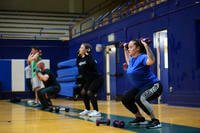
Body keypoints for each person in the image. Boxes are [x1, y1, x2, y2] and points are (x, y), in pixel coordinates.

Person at [121, 39, 163, 128]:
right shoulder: (132, 60)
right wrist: (125, 49)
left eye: (131, 47)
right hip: (140, 87)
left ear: (138, 48)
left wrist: (146, 46)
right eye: (128, 48)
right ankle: (139, 118)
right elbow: (128, 60)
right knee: (125, 98)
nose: (129, 49)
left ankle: (155, 121)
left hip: (154, 85)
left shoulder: (143, 57)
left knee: (139, 98)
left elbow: (151, 61)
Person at [76, 43, 103, 117]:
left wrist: (88, 54)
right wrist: (78, 56)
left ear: (86, 50)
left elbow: (92, 65)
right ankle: (87, 109)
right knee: (83, 92)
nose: (80, 49)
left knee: (90, 92)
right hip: (88, 80)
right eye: (80, 47)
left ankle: (97, 111)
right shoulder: (80, 58)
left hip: (96, 78)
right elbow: (78, 65)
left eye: (82, 47)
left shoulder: (90, 58)